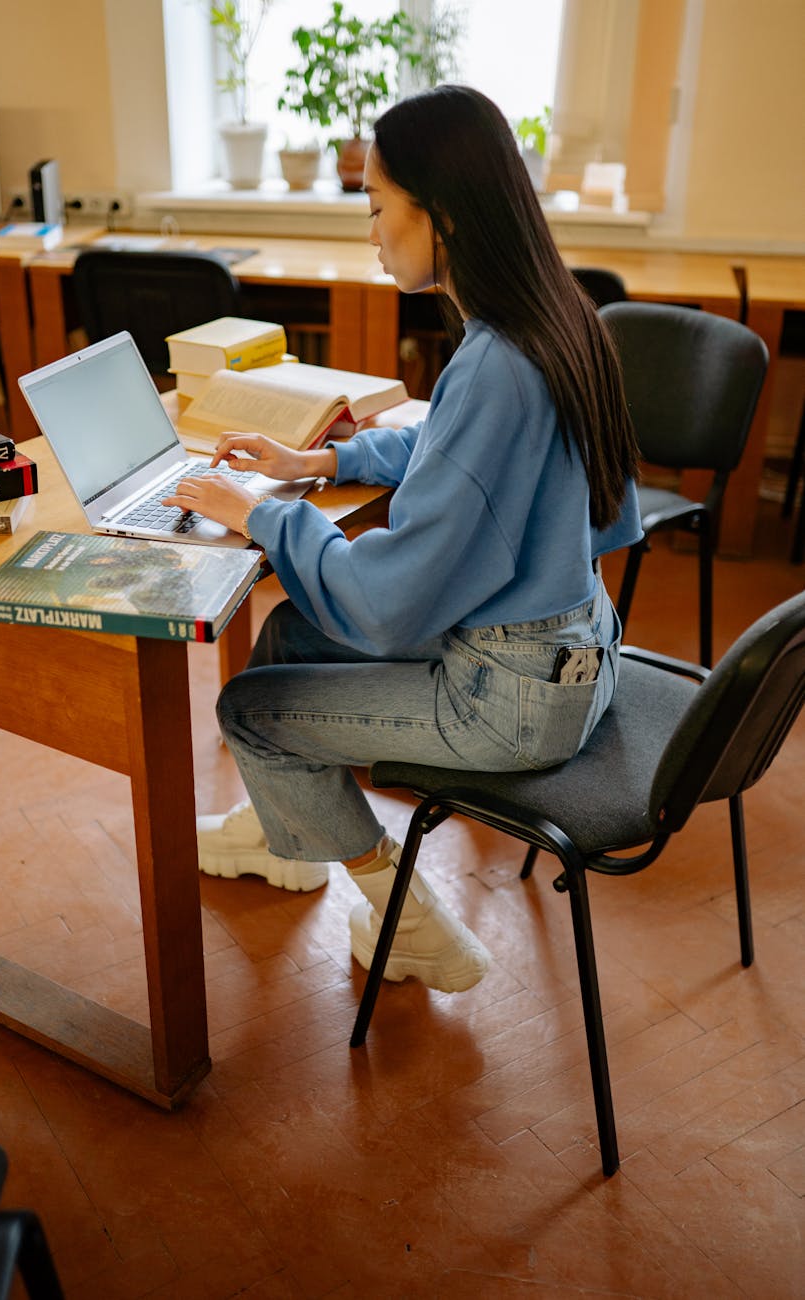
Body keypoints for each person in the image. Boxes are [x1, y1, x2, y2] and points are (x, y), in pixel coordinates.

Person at [163, 84, 642, 995]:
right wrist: (324, 460)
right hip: (577, 649)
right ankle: (281, 833)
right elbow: (452, 448)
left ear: (443, 216)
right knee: (291, 635)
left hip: (509, 697)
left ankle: (412, 925)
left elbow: (385, 603)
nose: (372, 233)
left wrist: (260, 511)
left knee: (249, 712)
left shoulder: (496, 363)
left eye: (378, 207)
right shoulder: (553, 317)